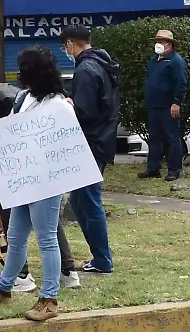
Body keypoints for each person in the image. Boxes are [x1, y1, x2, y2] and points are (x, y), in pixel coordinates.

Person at [0, 47, 70, 323]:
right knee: (16, 237)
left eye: (24, 69)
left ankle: (49, 298)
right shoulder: (26, 98)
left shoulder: (58, 105)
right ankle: (4, 288)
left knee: (46, 237)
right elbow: (13, 128)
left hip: (46, 180)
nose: (20, 75)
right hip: (24, 178)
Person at [0, 81, 74, 293]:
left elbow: (9, 133)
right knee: (36, 227)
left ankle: (30, 280)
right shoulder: (26, 96)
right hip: (35, 170)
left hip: (27, 173)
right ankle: (65, 271)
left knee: (39, 233)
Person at [63, 24, 119, 275]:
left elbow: (83, 111)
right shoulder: (103, 63)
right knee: (79, 201)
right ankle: (99, 257)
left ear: (70, 43)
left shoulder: (85, 69)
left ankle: (102, 259)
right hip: (102, 139)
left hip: (89, 142)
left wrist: (67, 105)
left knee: (88, 201)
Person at [140, 29, 188, 182]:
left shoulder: (176, 61)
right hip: (154, 105)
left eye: (161, 41)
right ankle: (153, 168)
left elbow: (181, 83)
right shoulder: (154, 61)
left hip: (168, 106)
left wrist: (176, 102)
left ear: (169, 45)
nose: (158, 44)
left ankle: (175, 170)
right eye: (157, 41)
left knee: (172, 138)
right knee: (154, 138)